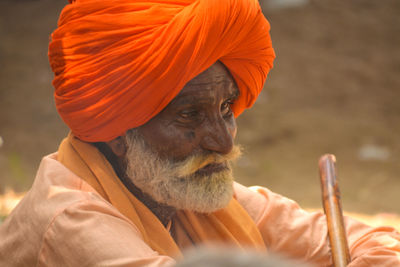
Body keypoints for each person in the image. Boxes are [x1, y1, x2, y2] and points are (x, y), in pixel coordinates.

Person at [1, 0, 399, 266]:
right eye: (189, 116)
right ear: (120, 134)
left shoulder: (182, 188)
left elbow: (374, 242)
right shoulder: (70, 218)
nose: (224, 142)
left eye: (226, 108)